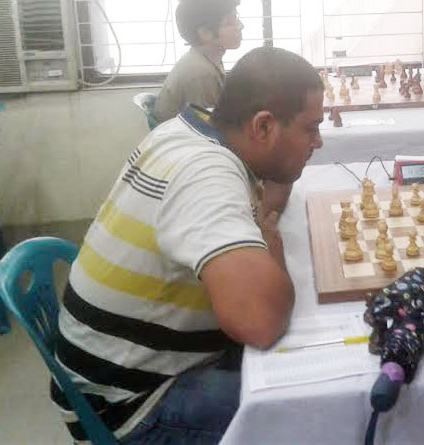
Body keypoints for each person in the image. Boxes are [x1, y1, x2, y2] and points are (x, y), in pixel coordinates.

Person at [54, 47, 324, 443]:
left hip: (107, 370)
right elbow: (261, 323)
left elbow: (269, 209)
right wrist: (273, 253)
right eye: (310, 128)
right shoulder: (207, 175)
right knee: (314, 412)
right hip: (131, 404)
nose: (319, 142)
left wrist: (268, 228)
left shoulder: (187, 129)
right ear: (263, 125)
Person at [154, 0, 244, 123]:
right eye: (229, 23)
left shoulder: (207, 58)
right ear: (205, 33)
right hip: (187, 142)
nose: (240, 26)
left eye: (236, 17)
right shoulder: (201, 74)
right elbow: (208, 131)